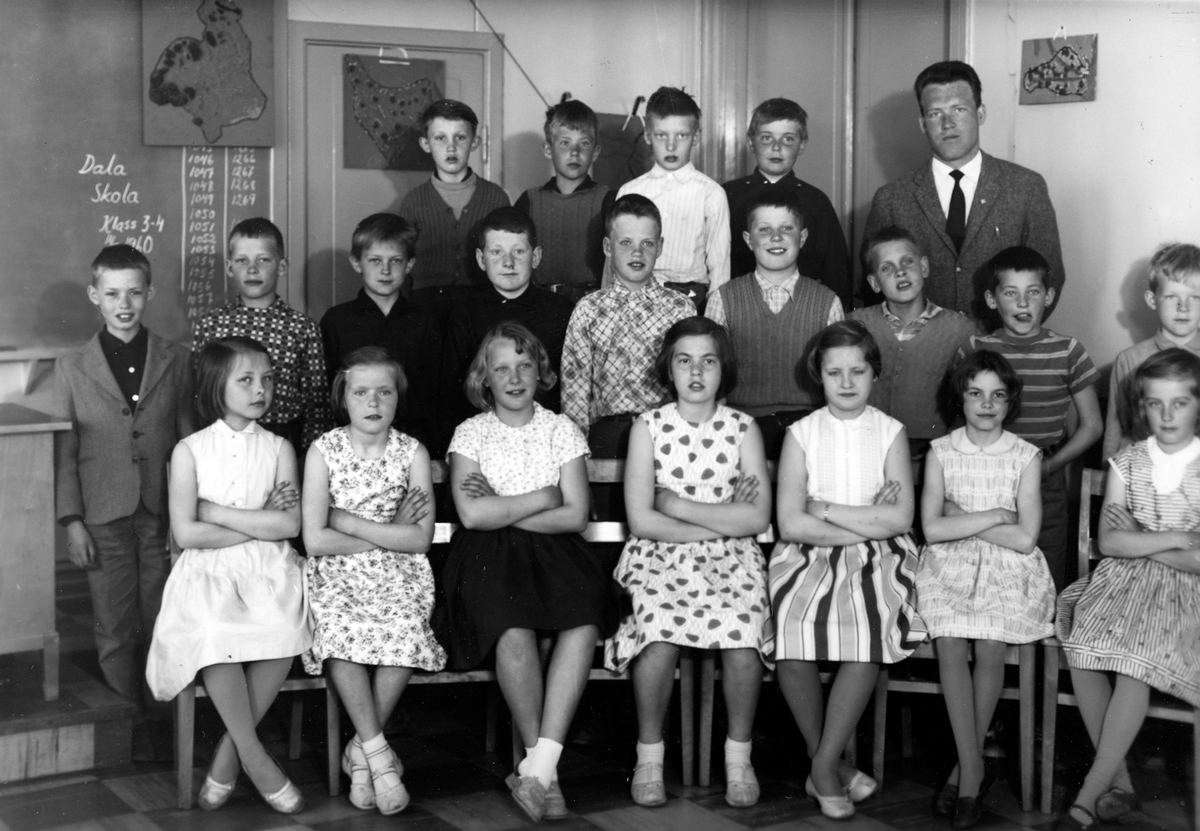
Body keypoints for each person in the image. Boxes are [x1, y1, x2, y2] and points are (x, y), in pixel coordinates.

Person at [441, 322, 616, 822]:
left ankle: (538, 768)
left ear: (540, 372)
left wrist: (502, 504)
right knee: (511, 627)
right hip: (488, 555)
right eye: (501, 369)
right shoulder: (471, 432)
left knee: (584, 621)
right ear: (485, 378)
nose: (514, 378)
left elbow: (575, 516)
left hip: (557, 552)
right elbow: (474, 516)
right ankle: (548, 775)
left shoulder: (561, 429)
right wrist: (543, 495)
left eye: (524, 366)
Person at [605, 316, 773, 809]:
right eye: (684, 361)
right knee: (656, 632)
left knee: (744, 631)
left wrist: (677, 504)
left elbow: (757, 518)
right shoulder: (648, 427)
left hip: (732, 558)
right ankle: (649, 756)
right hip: (659, 554)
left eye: (708, 361)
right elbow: (642, 520)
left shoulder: (744, 429)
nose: (696, 373)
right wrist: (723, 520)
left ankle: (738, 757)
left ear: (725, 369)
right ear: (668, 368)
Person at [145, 337, 311, 813]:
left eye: (268, 379)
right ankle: (255, 758)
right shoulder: (190, 450)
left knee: (285, 625)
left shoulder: (279, 448)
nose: (261, 389)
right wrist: (258, 521)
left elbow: (288, 525)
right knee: (215, 630)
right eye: (247, 380)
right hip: (208, 569)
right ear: (217, 386)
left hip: (268, 566)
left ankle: (228, 756)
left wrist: (217, 512)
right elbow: (187, 533)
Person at [770, 320, 926, 820]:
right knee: (790, 629)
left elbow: (899, 520)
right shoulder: (801, 434)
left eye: (857, 371)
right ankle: (831, 764)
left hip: (879, 557)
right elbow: (791, 523)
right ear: (818, 375)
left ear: (874, 373)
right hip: (808, 554)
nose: (846, 382)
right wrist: (865, 520)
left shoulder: (890, 432)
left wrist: (825, 509)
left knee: (866, 629)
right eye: (834, 372)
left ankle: (820, 768)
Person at [53, 243, 194, 761]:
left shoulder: (177, 358)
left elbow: (187, 442)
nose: (124, 304)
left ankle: (162, 723)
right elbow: (66, 451)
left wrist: (187, 515)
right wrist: (72, 521)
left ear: (149, 292)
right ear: (95, 296)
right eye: (112, 294)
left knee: (161, 619)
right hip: (102, 514)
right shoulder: (72, 366)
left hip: (161, 513)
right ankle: (123, 726)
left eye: (134, 292)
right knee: (113, 627)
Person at [1055, 349, 1200, 830]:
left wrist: (1143, 537)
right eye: (1156, 403)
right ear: (1142, 407)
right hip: (1121, 584)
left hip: (1186, 595)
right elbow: (1111, 541)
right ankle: (1119, 783)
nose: (1167, 414)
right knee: (1082, 648)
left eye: (1180, 403)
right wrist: (1177, 536)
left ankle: (1088, 796)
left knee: (1132, 656)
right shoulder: (1128, 462)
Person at [301, 347, 445, 816]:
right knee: (339, 633)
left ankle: (361, 755)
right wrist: (389, 530)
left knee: (405, 626)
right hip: (337, 572)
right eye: (361, 392)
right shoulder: (323, 451)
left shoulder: (412, 453)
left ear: (398, 397)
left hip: (399, 571)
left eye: (384, 392)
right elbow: (316, 541)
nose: (373, 402)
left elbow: (419, 539)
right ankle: (379, 759)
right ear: (343, 397)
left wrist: (347, 520)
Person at [917, 350, 1055, 829]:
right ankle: (974, 767)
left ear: (1010, 401)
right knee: (950, 639)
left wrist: (965, 518)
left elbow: (1025, 538)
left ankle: (965, 771)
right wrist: (997, 514)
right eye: (975, 393)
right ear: (960, 398)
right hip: (949, 566)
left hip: (1008, 570)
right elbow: (933, 530)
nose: (987, 404)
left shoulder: (1025, 456)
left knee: (992, 641)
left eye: (998, 395)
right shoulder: (941, 452)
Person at [863, 60, 1064, 322]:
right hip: (920, 344)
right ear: (923, 124)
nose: (948, 123)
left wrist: (1011, 337)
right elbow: (874, 286)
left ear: (980, 114)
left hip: (1001, 344)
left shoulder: (1026, 187)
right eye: (935, 114)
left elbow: (1050, 277)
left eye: (959, 109)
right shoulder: (891, 199)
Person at [957, 246, 1102, 589]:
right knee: (988, 568)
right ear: (992, 299)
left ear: (1048, 296)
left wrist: (1050, 466)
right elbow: (959, 421)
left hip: (1044, 477)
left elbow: (1092, 426)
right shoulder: (975, 349)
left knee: (1045, 568)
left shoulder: (1068, 351)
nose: (1022, 302)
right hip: (985, 476)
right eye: (1011, 293)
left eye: (1033, 292)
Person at [706, 185, 843, 458]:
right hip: (740, 427)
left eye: (787, 228)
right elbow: (713, 377)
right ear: (748, 240)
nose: (776, 237)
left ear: (803, 237)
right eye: (764, 229)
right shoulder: (723, 299)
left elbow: (837, 378)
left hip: (809, 427)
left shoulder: (827, 302)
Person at [560, 194, 694, 458]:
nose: (637, 252)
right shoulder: (588, 310)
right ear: (607, 246)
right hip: (607, 437)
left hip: (666, 436)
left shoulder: (680, 309)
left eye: (647, 243)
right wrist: (577, 456)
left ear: (660, 246)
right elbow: (575, 394)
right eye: (625, 243)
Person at [192, 217, 330, 452]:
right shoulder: (211, 325)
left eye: (263, 260)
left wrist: (311, 456)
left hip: (283, 439)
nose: (252, 269)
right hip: (221, 441)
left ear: (282, 267)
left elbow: (317, 404)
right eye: (242, 261)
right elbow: (198, 394)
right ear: (229, 267)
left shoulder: (302, 327)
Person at [849, 225, 977, 477]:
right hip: (867, 451)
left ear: (924, 267)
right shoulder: (856, 325)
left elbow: (971, 397)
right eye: (887, 268)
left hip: (933, 455)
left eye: (907, 261)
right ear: (874, 283)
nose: (900, 271)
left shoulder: (960, 329)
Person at [440, 208, 575, 443]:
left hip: (545, 436)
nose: (508, 262)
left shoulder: (560, 310)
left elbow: (566, 388)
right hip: (482, 437)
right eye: (496, 252)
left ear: (536, 257)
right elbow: (452, 391)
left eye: (519, 251)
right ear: (481, 259)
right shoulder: (464, 313)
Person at [318, 213, 442, 450]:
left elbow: (437, 394)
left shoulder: (425, 320)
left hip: (413, 441)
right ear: (357, 262)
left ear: (409, 264)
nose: (385, 270)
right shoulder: (336, 320)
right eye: (375, 260)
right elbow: (327, 392)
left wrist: (435, 451)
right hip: (352, 443)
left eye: (395, 261)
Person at [722, 97, 852, 310]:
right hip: (739, 306)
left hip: (803, 307)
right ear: (751, 142)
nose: (776, 147)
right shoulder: (728, 195)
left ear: (802, 145)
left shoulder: (816, 201)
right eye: (766, 138)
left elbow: (836, 271)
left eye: (788, 139)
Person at [613, 86, 730, 312]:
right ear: (648, 136)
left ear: (696, 137)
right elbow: (617, 259)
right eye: (661, 135)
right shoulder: (629, 191)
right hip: (638, 297)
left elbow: (720, 266)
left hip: (692, 298)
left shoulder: (711, 193)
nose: (671, 145)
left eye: (681, 135)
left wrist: (714, 317)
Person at [399, 99, 510, 320]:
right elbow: (401, 265)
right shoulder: (413, 201)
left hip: (483, 306)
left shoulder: (496, 197)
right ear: (425, 144)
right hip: (426, 309)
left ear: (475, 142)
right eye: (440, 138)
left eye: (460, 137)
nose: (451, 147)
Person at [1103, 242, 1200, 460]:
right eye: (1172, 296)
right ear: (1152, 300)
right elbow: (1116, 426)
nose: (1183, 307)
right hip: (1143, 468)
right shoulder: (1129, 359)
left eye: (1195, 297)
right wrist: (1109, 469)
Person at [514, 98, 614, 301]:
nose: (575, 153)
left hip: (591, 304)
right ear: (548, 149)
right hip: (540, 304)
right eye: (565, 143)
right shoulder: (529, 201)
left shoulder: (607, 200)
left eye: (584, 143)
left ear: (595, 152)